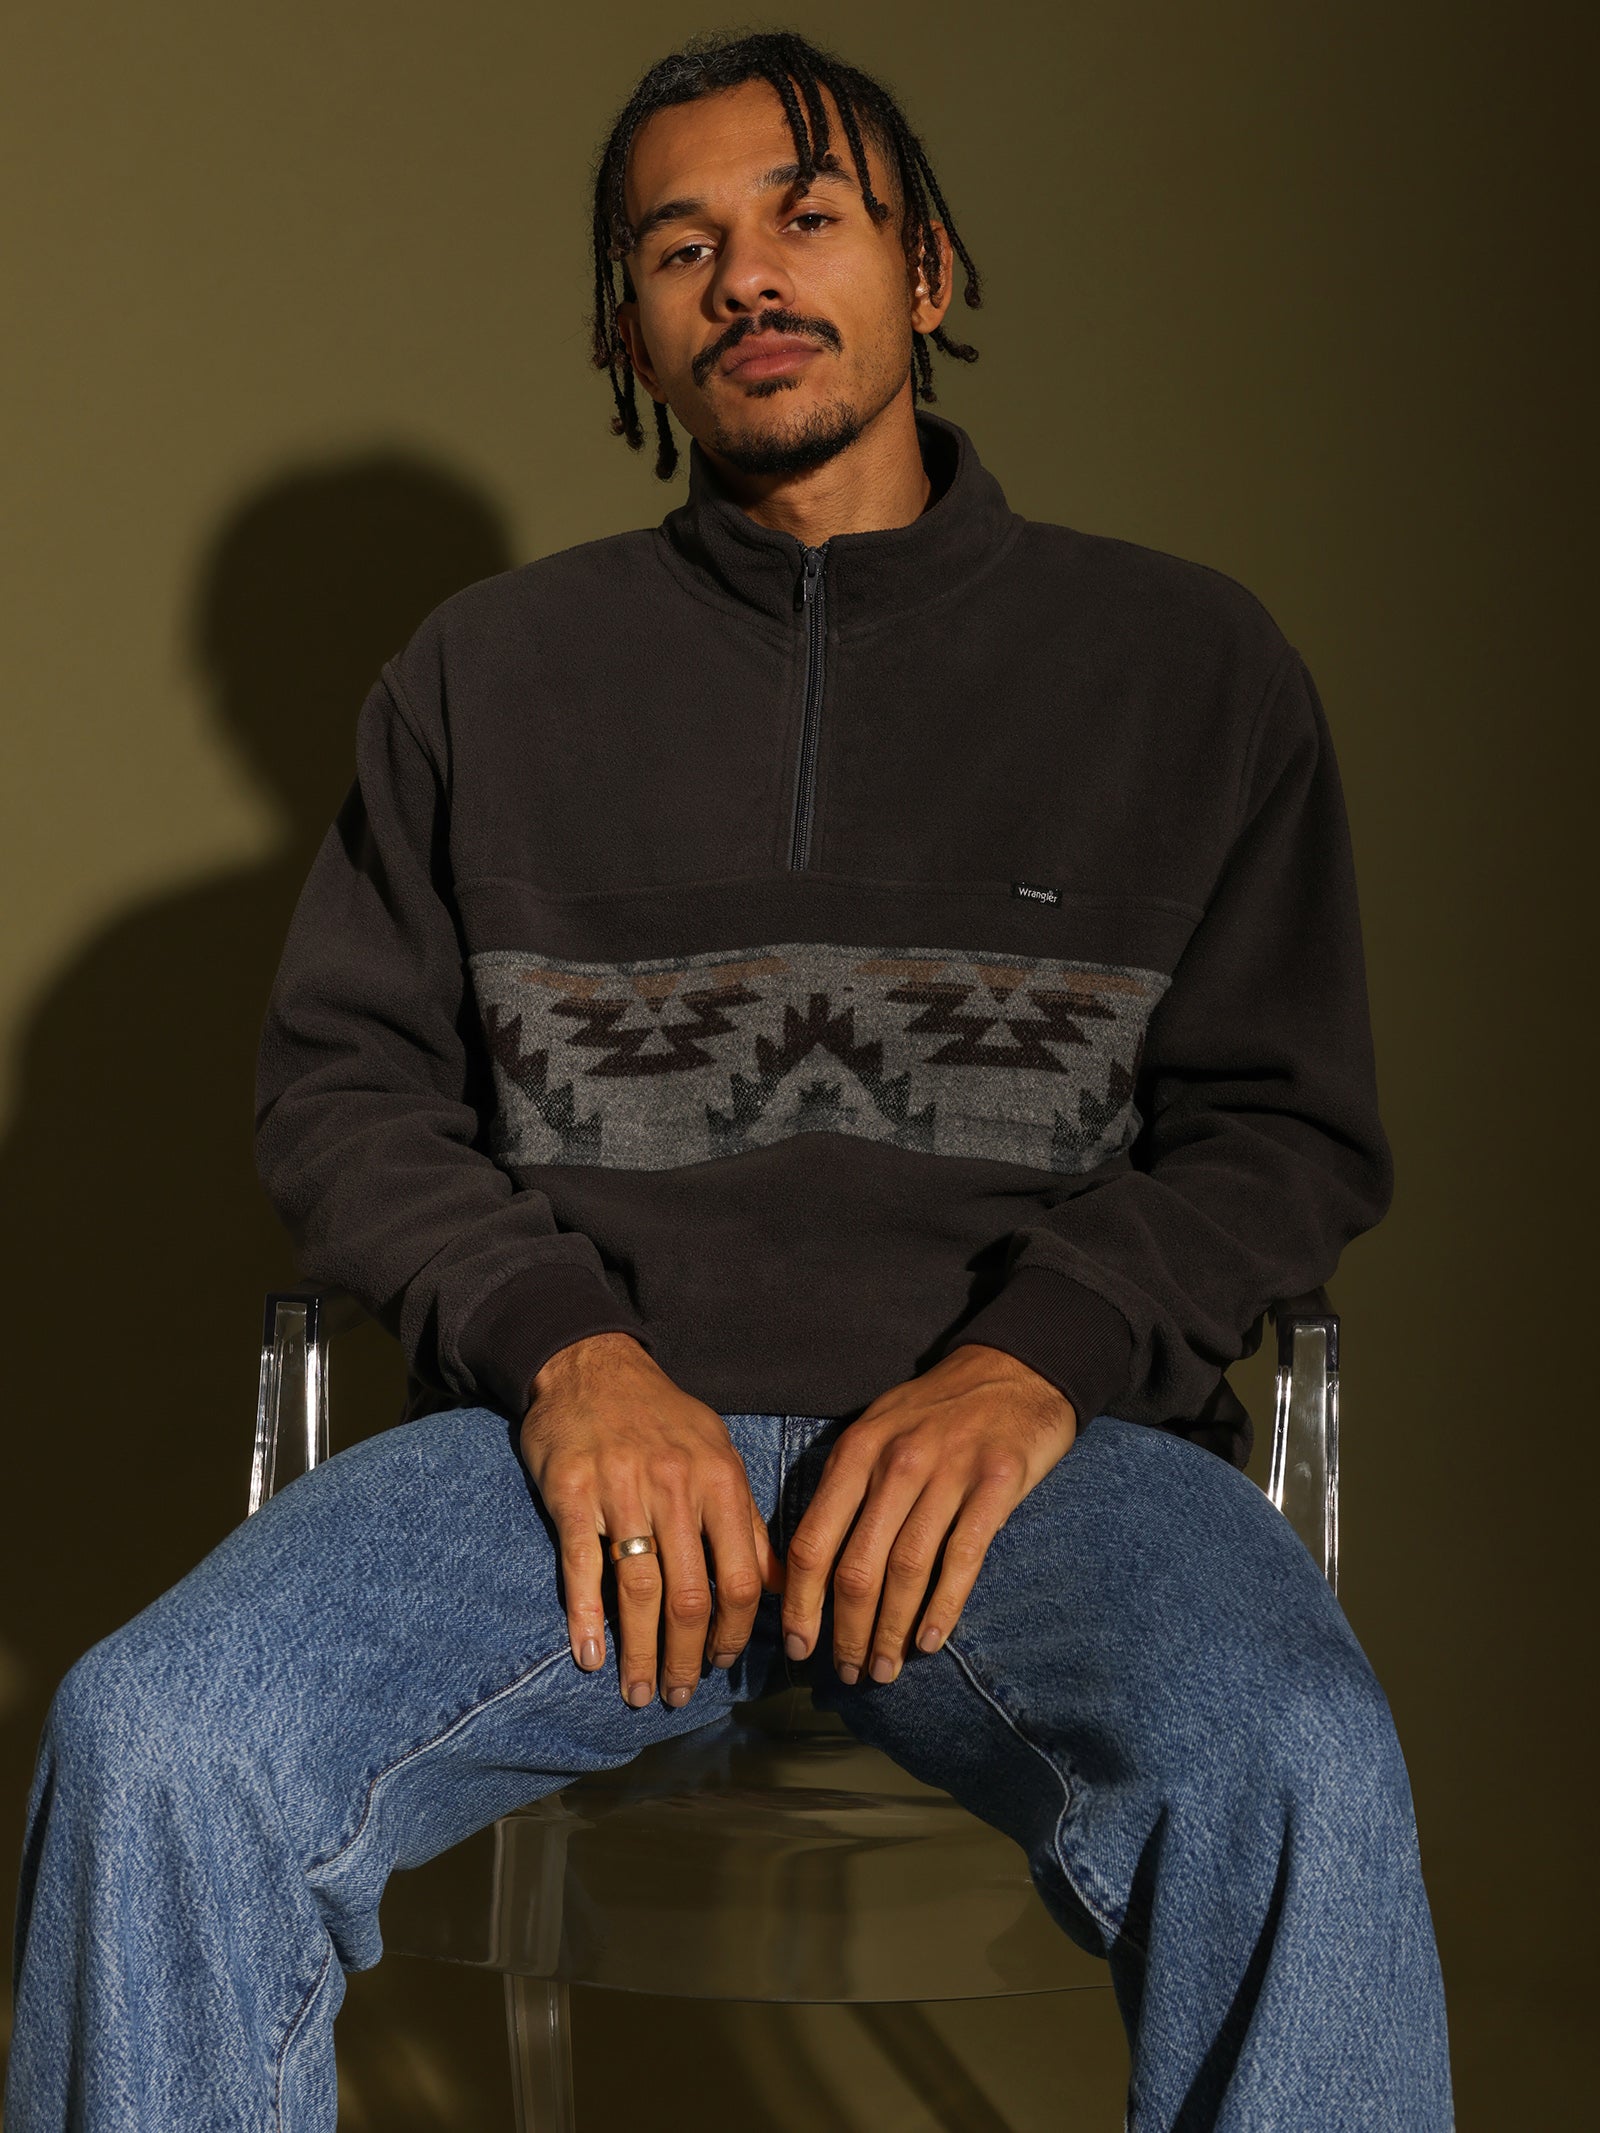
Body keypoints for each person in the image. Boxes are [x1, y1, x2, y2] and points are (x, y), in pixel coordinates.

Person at [5, 29, 1454, 2130]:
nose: (746, 275)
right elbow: (345, 1092)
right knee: (155, 1737)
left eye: (806, 215)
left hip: (1033, 1470)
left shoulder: (1188, 667)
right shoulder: (482, 677)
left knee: (1297, 1753)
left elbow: (1283, 1124)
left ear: (925, 269)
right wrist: (568, 1355)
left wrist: (1029, 1363)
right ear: (626, 331)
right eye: (677, 248)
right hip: (574, 1473)